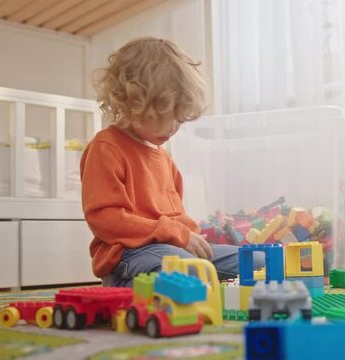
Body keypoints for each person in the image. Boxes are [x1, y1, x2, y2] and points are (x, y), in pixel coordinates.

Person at [81, 37, 263, 287]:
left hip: (173, 250)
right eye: (163, 117)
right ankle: (129, 288)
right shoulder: (106, 148)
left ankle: (193, 283)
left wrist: (192, 235)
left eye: (179, 118)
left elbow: (176, 216)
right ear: (130, 103)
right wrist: (177, 234)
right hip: (129, 255)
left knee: (259, 262)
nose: (173, 128)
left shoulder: (164, 158)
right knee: (187, 270)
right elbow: (106, 220)